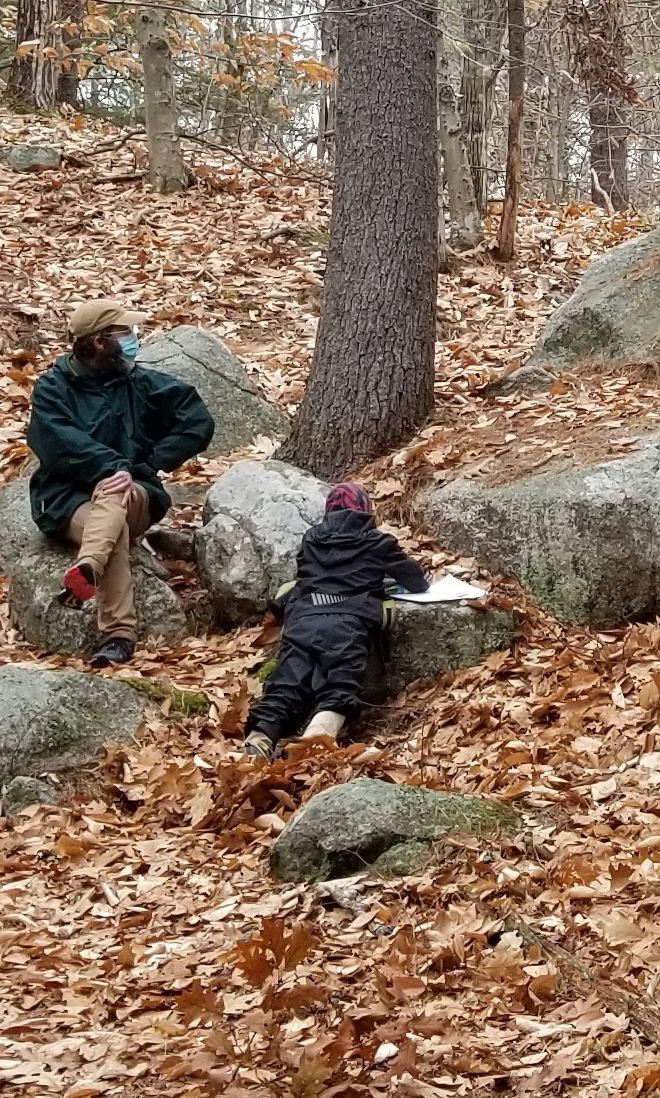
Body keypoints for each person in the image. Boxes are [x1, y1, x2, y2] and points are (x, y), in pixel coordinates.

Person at [25, 299, 215, 668]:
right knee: (112, 517)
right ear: (98, 341)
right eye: (124, 331)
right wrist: (115, 468)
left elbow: (197, 421)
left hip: (137, 495)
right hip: (67, 502)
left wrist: (150, 465)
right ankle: (118, 635)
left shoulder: (140, 381)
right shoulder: (53, 388)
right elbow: (61, 442)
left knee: (115, 496)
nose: (133, 337)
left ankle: (90, 572)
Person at [242, 483, 430, 757]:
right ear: (366, 511)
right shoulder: (377, 542)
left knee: (287, 681)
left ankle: (259, 739)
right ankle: (316, 740)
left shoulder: (311, 538)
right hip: (347, 622)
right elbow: (416, 581)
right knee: (340, 684)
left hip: (303, 619)